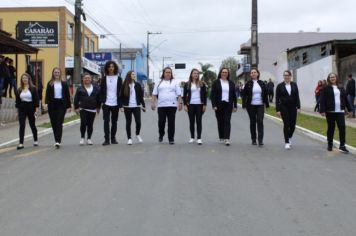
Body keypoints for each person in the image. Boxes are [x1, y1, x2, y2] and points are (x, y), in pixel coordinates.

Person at [320, 73, 351, 153]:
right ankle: (330, 144)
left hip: (340, 111)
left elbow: (345, 99)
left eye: (334, 77)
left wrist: (350, 109)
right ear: (329, 79)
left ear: (336, 78)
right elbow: (322, 100)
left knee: (342, 128)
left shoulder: (341, 87)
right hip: (330, 112)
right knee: (331, 128)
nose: (332, 78)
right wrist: (322, 110)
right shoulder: (325, 88)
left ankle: (342, 145)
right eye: (331, 77)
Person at [151, 67, 183, 144]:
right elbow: (154, 94)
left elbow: (179, 94)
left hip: (172, 106)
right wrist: (153, 103)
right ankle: (161, 135)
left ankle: (171, 139)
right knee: (161, 122)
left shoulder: (175, 82)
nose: (168, 74)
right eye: (167, 72)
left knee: (171, 123)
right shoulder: (158, 82)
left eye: (170, 72)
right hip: (161, 106)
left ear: (171, 74)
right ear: (163, 73)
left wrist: (180, 103)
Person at [45, 67, 71, 148]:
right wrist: (46, 104)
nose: (56, 74)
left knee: (59, 122)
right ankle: (56, 139)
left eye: (58, 72)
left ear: (60, 74)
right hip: (52, 104)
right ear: (53, 73)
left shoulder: (64, 83)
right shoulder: (50, 83)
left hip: (61, 104)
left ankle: (58, 141)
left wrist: (69, 106)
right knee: (53, 123)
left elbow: (67, 95)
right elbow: (47, 95)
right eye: (55, 72)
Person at [242, 68, 269, 146]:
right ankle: (253, 139)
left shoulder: (262, 83)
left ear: (258, 74)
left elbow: (265, 94)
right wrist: (244, 105)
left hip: (260, 105)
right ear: (250, 75)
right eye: (252, 73)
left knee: (260, 121)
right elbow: (244, 95)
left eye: (255, 72)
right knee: (252, 122)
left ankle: (260, 140)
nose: (253, 74)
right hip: (251, 106)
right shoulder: (248, 84)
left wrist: (266, 105)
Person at [210, 67, 237, 146]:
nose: (224, 73)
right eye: (223, 72)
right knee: (220, 121)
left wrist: (235, 106)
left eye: (226, 72)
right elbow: (213, 95)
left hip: (228, 105)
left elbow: (234, 95)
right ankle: (221, 136)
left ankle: (227, 138)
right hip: (219, 105)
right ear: (220, 73)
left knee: (227, 121)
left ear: (228, 74)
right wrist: (214, 105)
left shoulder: (231, 83)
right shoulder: (216, 82)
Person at [275, 70, 301, 150]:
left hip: (293, 107)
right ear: (284, 76)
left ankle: (289, 137)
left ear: (290, 76)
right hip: (284, 107)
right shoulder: (279, 86)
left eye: (287, 75)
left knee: (292, 125)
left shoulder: (294, 85)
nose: (286, 77)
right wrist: (278, 110)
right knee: (286, 124)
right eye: (285, 75)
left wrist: (298, 107)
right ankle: (287, 142)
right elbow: (277, 99)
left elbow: (297, 96)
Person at [74, 72, 101, 146]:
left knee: (90, 124)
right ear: (83, 79)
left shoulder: (96, 88)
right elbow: (76, 99)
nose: (87, 79)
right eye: (85, 78)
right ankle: (82, 138)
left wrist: (98, 107)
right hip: (83, 108)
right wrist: (76, 107)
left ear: (91, 79)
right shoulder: (80, 88)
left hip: (92, 109)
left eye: (88, 78)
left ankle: (89, 139)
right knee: (83, 123)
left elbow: (98, 98)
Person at [100, 60, 122, 146]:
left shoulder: (119, 79)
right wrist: (102, 102)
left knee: (114, 121)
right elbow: (101, 91)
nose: (111, 68)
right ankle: (106, 139)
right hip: (106, 103)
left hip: (116, 103)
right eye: (109, 67)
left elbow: (121, 92)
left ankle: (113, 138)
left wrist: (121, 105)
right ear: (107, 68)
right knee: (106, 121)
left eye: (112, 67)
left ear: (115, 68)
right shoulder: (104, 78)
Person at [120, 70, 145, 145]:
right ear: (129, 75)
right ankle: (129, 138)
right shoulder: (124, 85)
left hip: (136, 106)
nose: (134, 75)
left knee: (138, 122)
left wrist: (143, 105)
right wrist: (121, 106)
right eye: (132, 74)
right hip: (127, 106)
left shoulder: (137, 85)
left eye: (134, 74)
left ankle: (137, 134)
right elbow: (120, 97)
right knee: (128, 122)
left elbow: (141, 96)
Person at [183, 68, 207, 145]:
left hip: (199, 105)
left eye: (197, 73)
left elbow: (205, 95)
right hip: (190, 105)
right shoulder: (187, 84)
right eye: (194, 73)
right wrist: (185, 105)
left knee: (199, 121)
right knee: (191, 122)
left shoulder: (202, 84)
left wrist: (204, 104)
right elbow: (184, 95)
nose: (196, 74)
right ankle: (192, 137)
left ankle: (199, 138)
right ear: (191, 74)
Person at [15, 73, 39, 150]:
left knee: (32, 125)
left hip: (31, 107)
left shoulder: (33, 88)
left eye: (26, 78)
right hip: (22, 108)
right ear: (21, 80)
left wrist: (36, 110)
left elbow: (36, 100)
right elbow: (17, 101)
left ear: (28, 79)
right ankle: (21, 143)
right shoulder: (19, 89)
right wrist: (17, 111)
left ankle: (35, 140)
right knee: (22, 125)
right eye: (23, 78)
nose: (24, 79)